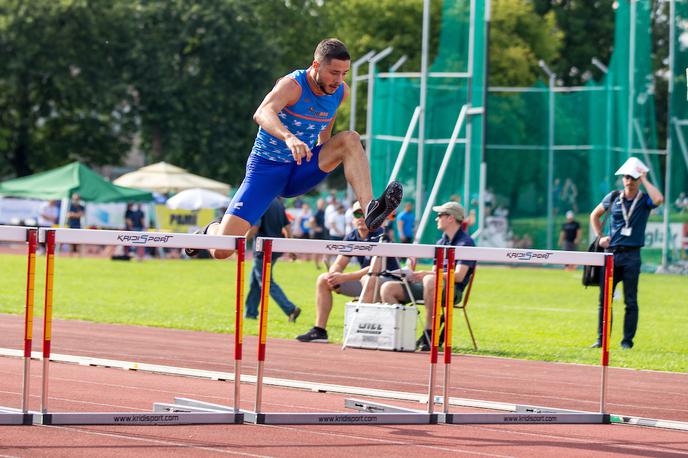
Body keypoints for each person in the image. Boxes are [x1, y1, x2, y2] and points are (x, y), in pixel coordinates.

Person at [185, 38, 402, 259]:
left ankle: (369, 209)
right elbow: (262, 112)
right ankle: (209, 230)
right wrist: (289, 138)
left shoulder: (339, 92)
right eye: (334, 73)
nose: (339, 80)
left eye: (344, 73)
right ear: (316, 65)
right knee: (222, 249)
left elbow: (326, 128)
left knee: (350, 139)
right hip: (267, 171)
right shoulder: (292, 85)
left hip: (300, 167)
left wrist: (324, 158)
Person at [296, 201, 400, 343]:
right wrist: (333, 275)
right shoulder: (352, 236)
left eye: (365, 214)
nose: (361, 218)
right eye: (357, 214)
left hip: (387, 281)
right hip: (366, 281)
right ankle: (319, 331)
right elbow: (339, 263)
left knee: (368, 279)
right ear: (352, 218)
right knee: (323, 279)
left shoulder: (381, 235)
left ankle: (363, 333)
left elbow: (375, 269)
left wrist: (344, 278)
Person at [380, 201, 476, 351]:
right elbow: (434, 271)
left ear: (450, 218)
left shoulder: (466, 243)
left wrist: (426, 274)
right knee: (388, 288)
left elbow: (458, 276)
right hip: (433, 286)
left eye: (439, 215)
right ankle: (403, 334)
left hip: (453, 290)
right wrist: (415, 276)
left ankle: (430, 332)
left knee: (431, 279)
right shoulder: (441, 242)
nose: (436, 219)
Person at [589, 157, 663, 350]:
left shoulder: (644, 200)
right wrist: (600, 237)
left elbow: (658, 199)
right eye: (626, 176)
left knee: (630, 301)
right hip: (612, 254)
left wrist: (645, 179)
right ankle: (601, 339)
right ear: (622, 179)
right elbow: (594, 215)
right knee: (605, 299)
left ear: (638, 179)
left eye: (633, 177)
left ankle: (627, 342)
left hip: (632, 255)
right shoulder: (613, 197)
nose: (629, 180)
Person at [245, 198, 301, 322]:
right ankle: (250, 313)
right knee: (255, 281)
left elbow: (254, 228)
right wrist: (290, 246)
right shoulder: (278, 203)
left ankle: (290, 309)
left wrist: (241, 241)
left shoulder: (260, 202)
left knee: (266, 282)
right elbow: (287, 226)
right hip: (275, 248)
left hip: (262, 249)